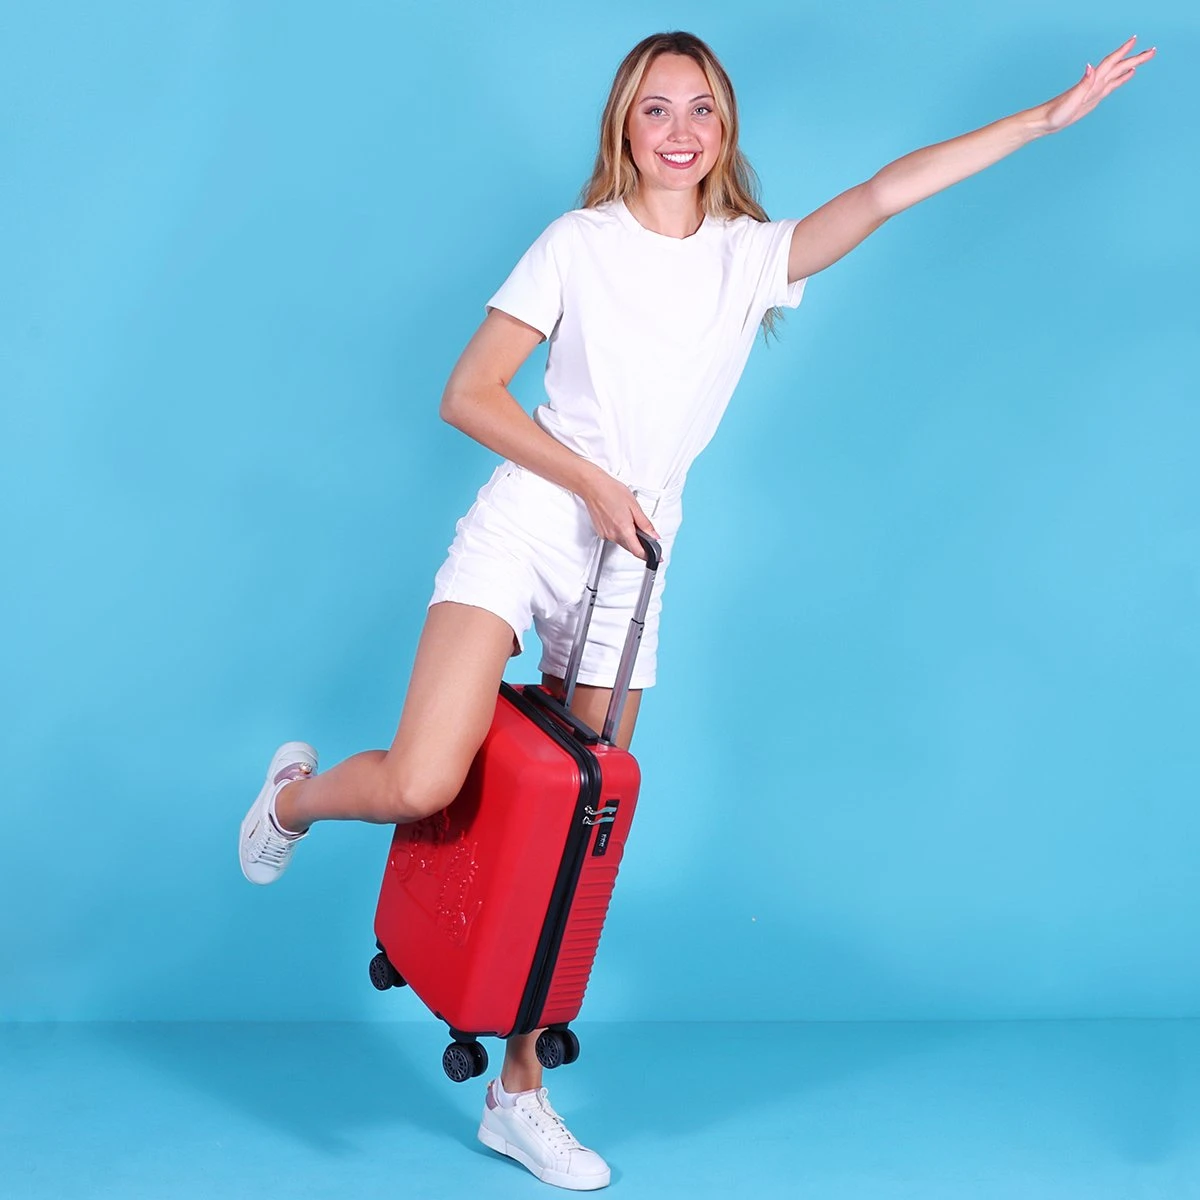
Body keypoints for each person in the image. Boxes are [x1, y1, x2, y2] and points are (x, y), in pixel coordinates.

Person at [237, 29, 1154, 1191]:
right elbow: (469, 393)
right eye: (656, 109)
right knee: (424, 781)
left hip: (633, 562)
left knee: (571, 832)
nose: (680, 131)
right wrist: (592, 484)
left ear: (725, 131)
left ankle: (517, 1097)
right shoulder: (576, 243)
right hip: (533, 523)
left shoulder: (750, 258)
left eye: (702, 110)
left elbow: (886, 191)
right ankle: (294, 796)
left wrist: (1041, 120)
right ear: (624, 128)